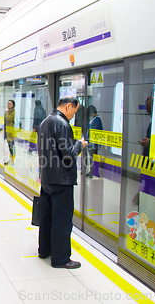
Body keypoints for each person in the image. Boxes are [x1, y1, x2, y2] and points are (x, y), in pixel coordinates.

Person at [37, 97, 88, 269]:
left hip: (47, 178)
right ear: (68, 106)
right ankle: (60, 258)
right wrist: (80, 145)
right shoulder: (62, 124)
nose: (74, 115)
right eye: (74, 111)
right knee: (62, 220)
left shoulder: (45, 122)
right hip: (61, 181)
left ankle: (44, 250)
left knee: (47, 217)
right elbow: (68, 153)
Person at [86, 105, 103, 177]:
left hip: (94, 142)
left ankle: (95, 171)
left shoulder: (97, 119)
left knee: (94, 156)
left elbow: (95, 130)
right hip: (91, 141)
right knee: (91, 157)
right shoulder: (93, 119)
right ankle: (92, 170)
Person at [4, 100, 16, 164]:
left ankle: (12, 160)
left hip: (11, 132)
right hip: (7, 131)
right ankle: (10, 159)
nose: (8, 105)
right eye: (8, 103)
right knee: (8, 146)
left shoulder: (13, 112)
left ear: (13, 105)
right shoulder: (8, 112)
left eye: (10, 104)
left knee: (11, 146)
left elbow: (9, 118)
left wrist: (6, 112)